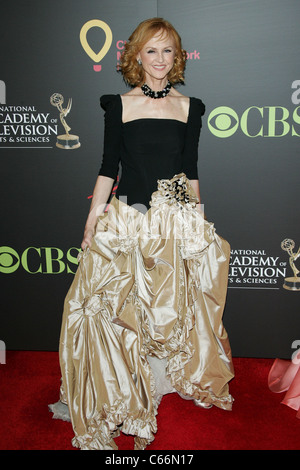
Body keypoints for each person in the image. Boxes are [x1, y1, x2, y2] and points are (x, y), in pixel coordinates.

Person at [49, 17, 234, 450]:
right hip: (128, 220)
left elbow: (190, 172)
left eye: (168, 51)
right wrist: (93, 218)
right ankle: (117, 389)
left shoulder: (191, 108)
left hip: (172, 224)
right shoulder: (118, 104)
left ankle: (163, 379)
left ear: (178, 58)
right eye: (151, 50)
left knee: (169, 308)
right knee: (111, 307)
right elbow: (106, 167)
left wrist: (199, 223)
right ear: (135, 56)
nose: (159, 59)